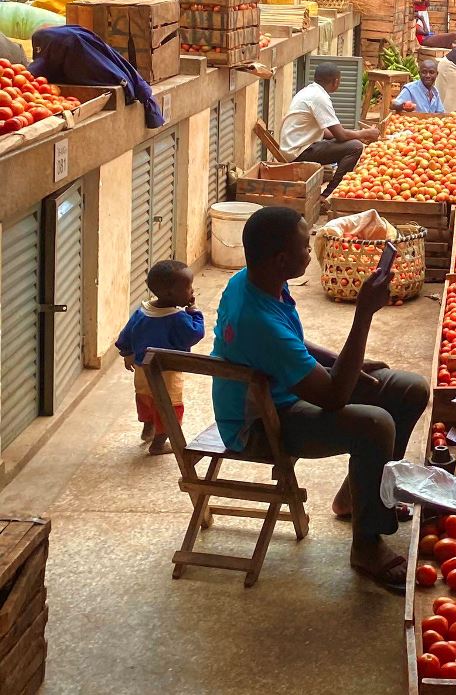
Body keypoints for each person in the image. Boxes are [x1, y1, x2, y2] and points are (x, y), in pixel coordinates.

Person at [211, 207, 429, 590]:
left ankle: (356, 498)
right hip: (263, 423)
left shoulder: (256, 280)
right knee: (376, 425)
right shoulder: (255, 318)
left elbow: (292, 344)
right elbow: (331, 396)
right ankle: (366, 543)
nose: (312, 252)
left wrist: (336, 360)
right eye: (305, 247)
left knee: (409, 389)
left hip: (283, 391)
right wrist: (364, 314)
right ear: (281, 260)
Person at [115, 260, 206, 456]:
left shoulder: (142, 311)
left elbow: (126, 335)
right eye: (188, 287)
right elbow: (194, 334)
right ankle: (159, 443)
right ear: (171, 294)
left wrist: (127, 353)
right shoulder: (178, 318)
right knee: (169, 407)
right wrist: (195, 312)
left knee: (146, 397)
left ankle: (148, 427)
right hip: (167, 373)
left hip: (142, 369)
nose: (192, 291)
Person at [280, 63, 379, 198]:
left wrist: (354, 134)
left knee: (349, 141)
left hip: (295, 148)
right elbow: (340, 135)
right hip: (299, 152)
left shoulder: (309, 91)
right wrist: (365, 133)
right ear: (335, 82)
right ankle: (329, 194)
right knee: (355, 147)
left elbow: (327, 132)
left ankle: (334, 190)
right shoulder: (319, 98)